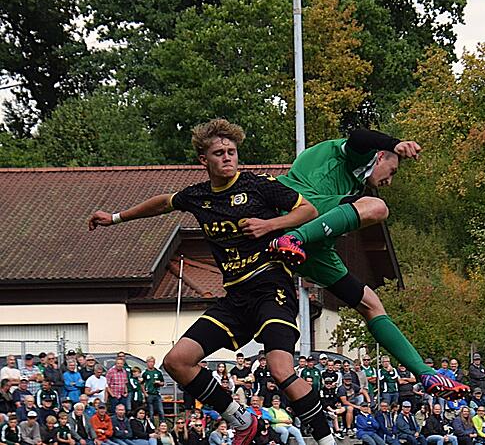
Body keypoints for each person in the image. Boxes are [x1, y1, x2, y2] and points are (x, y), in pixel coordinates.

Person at [88, 119, 334, 445]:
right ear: (204, 160)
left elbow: (308, 210)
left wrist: (269, 225)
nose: (228, 157)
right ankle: (241, 419)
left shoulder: (258, 185)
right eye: (219, 153)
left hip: (271, 288)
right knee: (176, 362)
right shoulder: (198, 196)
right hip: (235, 298)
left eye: (232, 151)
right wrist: (116, 217)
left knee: (279, 368)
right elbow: (162, 202)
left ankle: (327, 440)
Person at [272, 129, 469, 399]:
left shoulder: (355, 184)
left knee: (371, 304)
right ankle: (292, 238)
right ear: (379, 157)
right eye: (392, 171)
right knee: (377, 207)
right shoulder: (353, 157)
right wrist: (396, 144)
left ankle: (425, 373)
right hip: (295, 210)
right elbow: (358, 137)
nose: (389, 180)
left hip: (315, 248)